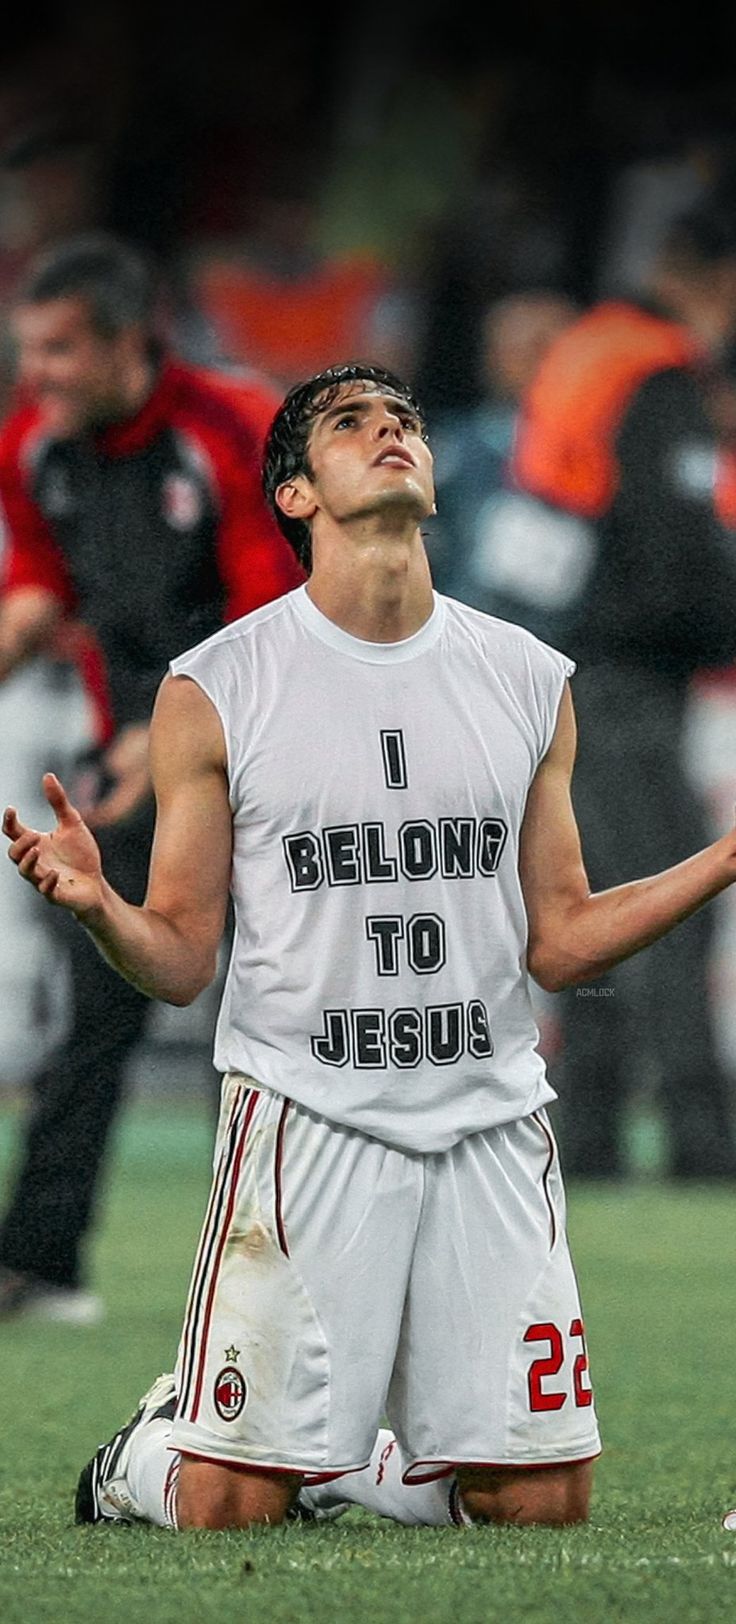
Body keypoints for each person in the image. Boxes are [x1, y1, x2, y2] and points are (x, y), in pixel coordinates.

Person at [8, 360, 736, 1536]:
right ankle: (149, 1452)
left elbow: (561, 942)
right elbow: (185, 959)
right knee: (225, 1508)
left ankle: (344, 1467)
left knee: (542, 1505)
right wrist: (103, 907)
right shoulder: (220, 685)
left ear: (435, 481)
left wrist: (721, 858)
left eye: (403, 419)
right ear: (293, 494)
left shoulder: (525, 676)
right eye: (350, 423)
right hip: (307, 1118)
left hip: (489, 1122)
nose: (389, 433)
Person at [0, 231, 303, 1323]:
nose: (38, 375)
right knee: (96, 1009)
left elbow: (269, 617)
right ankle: (40, 1265)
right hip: (132, 759)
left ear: (132, 341)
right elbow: (40, 581)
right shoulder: (35, 443)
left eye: (61, 350)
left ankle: (297, 1282)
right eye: (30, 351)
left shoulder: (232, 428)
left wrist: (162, 739)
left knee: (283, 1018)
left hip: (276, 755)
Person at [466, 192, 736, 1180]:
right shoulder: (658, 372)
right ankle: (705, 1145)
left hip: (553, 662)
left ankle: (586, 1139)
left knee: (594, 907)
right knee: (666, 900)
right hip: (621, 673)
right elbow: (672, 551)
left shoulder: (587, 351)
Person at [426, 288, 578, 603]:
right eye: (518, 349)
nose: (534, 363)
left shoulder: (609, 455)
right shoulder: (451, 450)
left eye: (547, 349)